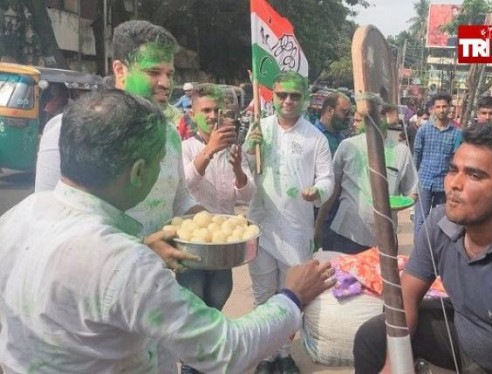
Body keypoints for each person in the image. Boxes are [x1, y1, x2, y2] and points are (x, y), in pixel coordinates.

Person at [0, 89, 336, 373]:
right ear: (138, 172)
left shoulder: (19, 216)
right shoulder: (124, 262)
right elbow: (225, 348)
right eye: (161, 161)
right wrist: (291, 297)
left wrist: (145, 246)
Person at [34, 21, 205, 371]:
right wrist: (139, 250)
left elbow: (181, 200)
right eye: (154, 71)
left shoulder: (168, 136)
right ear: (120, 69)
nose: (166, 83)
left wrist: (209, 222)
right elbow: (45, 228)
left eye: (170, 72)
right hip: (92, 316)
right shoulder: (69, 131)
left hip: (157, 302)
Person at [353, 124, 492, 374]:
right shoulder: (440, 224)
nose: (455, 183)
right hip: (463, 335)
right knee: (373, 337)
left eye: (474, 175)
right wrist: (394, 365)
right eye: (453, 170)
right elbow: (406, 293)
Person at [246, 71, 334, 373]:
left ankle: (283, 353)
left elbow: (327, 178)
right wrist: (248, 151)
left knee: (290, 294)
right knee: (263, 296)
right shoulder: (260, 129)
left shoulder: (316, 138)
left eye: (294, 95)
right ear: (273, 95)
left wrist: (318, 191)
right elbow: (244, 180)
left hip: (296, 230)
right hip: (260, 225)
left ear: (304, 98)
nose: (287, 100)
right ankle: (264, 357)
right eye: (282, 94)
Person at [179, 83, 255, 373]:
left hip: (224, 248)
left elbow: (248, 196)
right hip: (193, 247)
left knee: (218, 300)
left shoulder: (233, 149)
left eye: (216, 110)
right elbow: (184, 184)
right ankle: (190, 365)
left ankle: (206, 361)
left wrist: (237, 169)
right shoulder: (185, 148)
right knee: (193, 306)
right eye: (205, 111)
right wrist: (209, 150)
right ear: (192, 114)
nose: (212, 116)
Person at [315, 111, 417, 254]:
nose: (377, 117)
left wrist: (400, 204)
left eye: (381, 113)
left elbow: (412, 192)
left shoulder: (401, 151)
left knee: (380, 277)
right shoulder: (348, 146)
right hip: (346, 234)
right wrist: (319, 225)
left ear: (388, 117)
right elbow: (332, 188)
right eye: (373, 112)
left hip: (384, 239)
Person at [413, 93, 461, 240]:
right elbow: (416, 155)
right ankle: (419, 250)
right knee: (421, 218)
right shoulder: (423, 130)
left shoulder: (456, 133)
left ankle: (434, 248)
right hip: (424, 181)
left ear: (449, 108)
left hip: (443, 183)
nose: (441, 110)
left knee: (440, 219)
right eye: (438, 107)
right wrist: (414, 182)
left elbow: (455, 160)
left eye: (444, 106)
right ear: (432, 109)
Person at [313, 92, 352, 156]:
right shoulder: (314, 137)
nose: (349, 117)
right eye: (345, 112)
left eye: (350, 113)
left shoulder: (341, 137)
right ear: (330, 110)